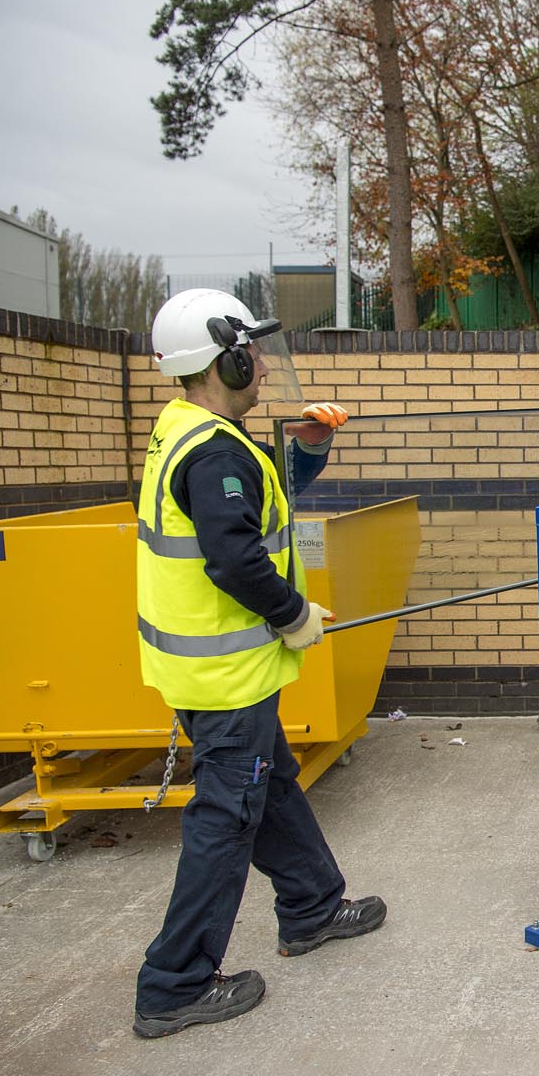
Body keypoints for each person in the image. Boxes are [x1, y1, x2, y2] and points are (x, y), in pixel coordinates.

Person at [132, 288, 384, 1038]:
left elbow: (258, 509)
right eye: (255, 351)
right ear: (226, 357)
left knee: (268, 785)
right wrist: (294, 614)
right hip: (226, 676)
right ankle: (174, 983)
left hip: (219, 672)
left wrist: (305, 448)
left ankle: (311, 905)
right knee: (229, 812)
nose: (267, 365)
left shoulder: (197, 433)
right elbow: (237, 558)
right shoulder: (211, 452)